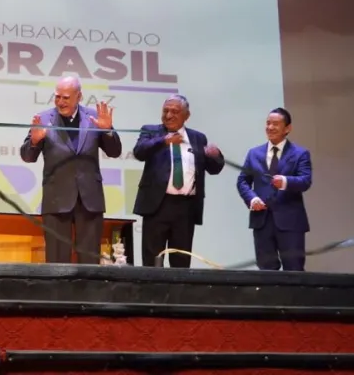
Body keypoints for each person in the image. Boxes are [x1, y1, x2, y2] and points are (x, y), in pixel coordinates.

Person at [19, 76, 122, 264]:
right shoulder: (43, 119)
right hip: (56, 200)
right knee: (57, 263)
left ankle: (88, 286)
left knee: (90, 262)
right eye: (57, 97)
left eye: (65, 98)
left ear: (79, 97)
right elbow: (27, 157)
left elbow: (115, 152)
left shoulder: (95, 118)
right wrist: (34, 142)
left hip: (89, 200)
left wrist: (107, 131)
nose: (60, 102)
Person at [131, 94, 225, 267]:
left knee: (181, 261)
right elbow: (139, 152)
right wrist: (163, 141)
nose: (168, 115)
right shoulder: (151, 131)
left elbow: (214, 169)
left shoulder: (198, 138)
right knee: (152, 259)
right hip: (157, 205)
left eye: (174, 112)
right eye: (165, 111)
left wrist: (216, 156)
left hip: (186, 208)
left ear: (186, 115)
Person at [236, 107, 312, 271]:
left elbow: (305, 180)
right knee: (266, 271)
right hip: (262, 221)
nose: (270, 127)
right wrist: (252, 199)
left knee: (294, 270)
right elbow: (242, 181)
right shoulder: (254, 153)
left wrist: (285, 181)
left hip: (291, 222)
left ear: (287, 128)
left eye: (275, 124)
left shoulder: (300, 153)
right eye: (268, 123)